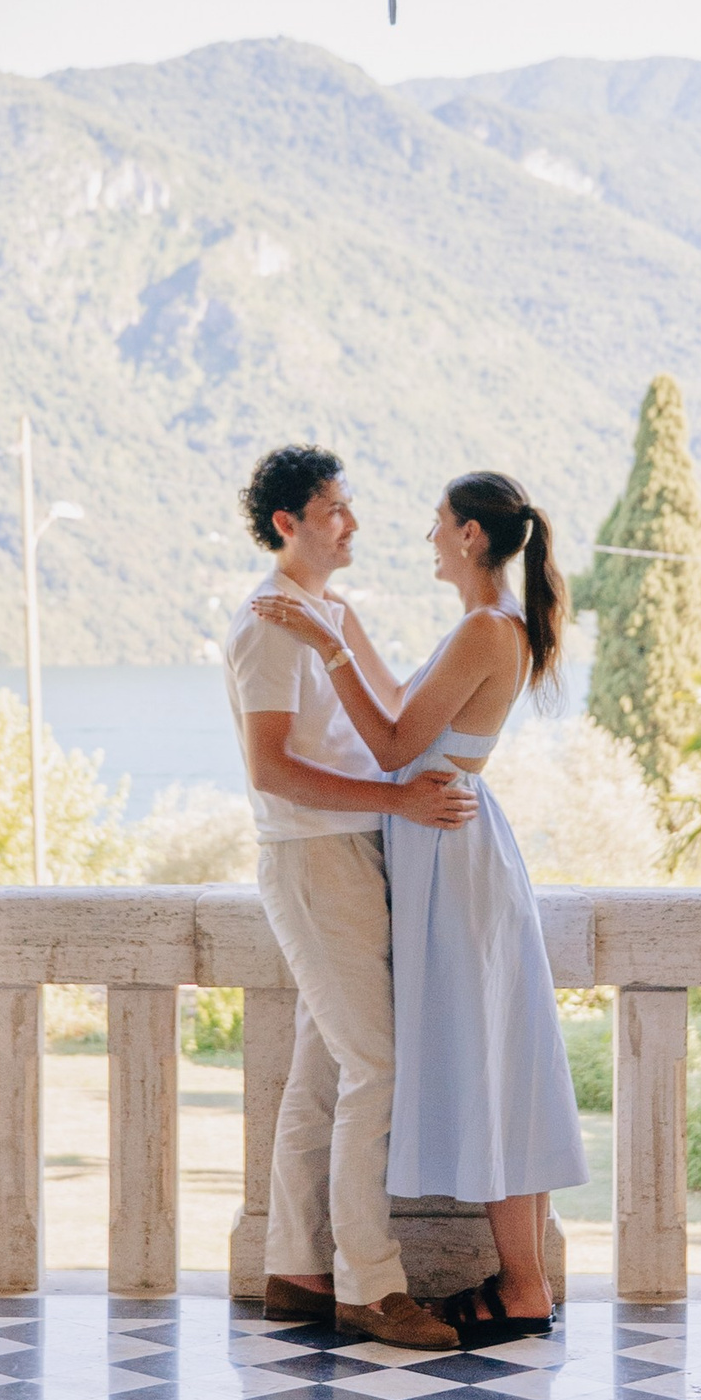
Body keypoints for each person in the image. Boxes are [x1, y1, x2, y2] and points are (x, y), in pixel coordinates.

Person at [254, 469, 587, 1340]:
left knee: (494, 1066)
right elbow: (405, 704)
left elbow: (395, 739)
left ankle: (522, 1285)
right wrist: (341, 625)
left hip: (454, 861)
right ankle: (517, 1281)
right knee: (485, 1063)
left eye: (438, 523)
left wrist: (327, 650)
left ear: (472, 535)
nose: (428, 536)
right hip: (442, 853)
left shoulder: (486, 629)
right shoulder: (480, 627)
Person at [223, 443, 479, 1352]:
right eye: (334, 508)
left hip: (353, 855)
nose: (353, 521)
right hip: (313, 861)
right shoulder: (266, 627)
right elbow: (271, 768)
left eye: (349, 504)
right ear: (288, 522)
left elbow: (393, 711)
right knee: (379, 1068)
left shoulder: (325, 614)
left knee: (326, 1070)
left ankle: (297, 1267)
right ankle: (372, 1289)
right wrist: (399, 801)